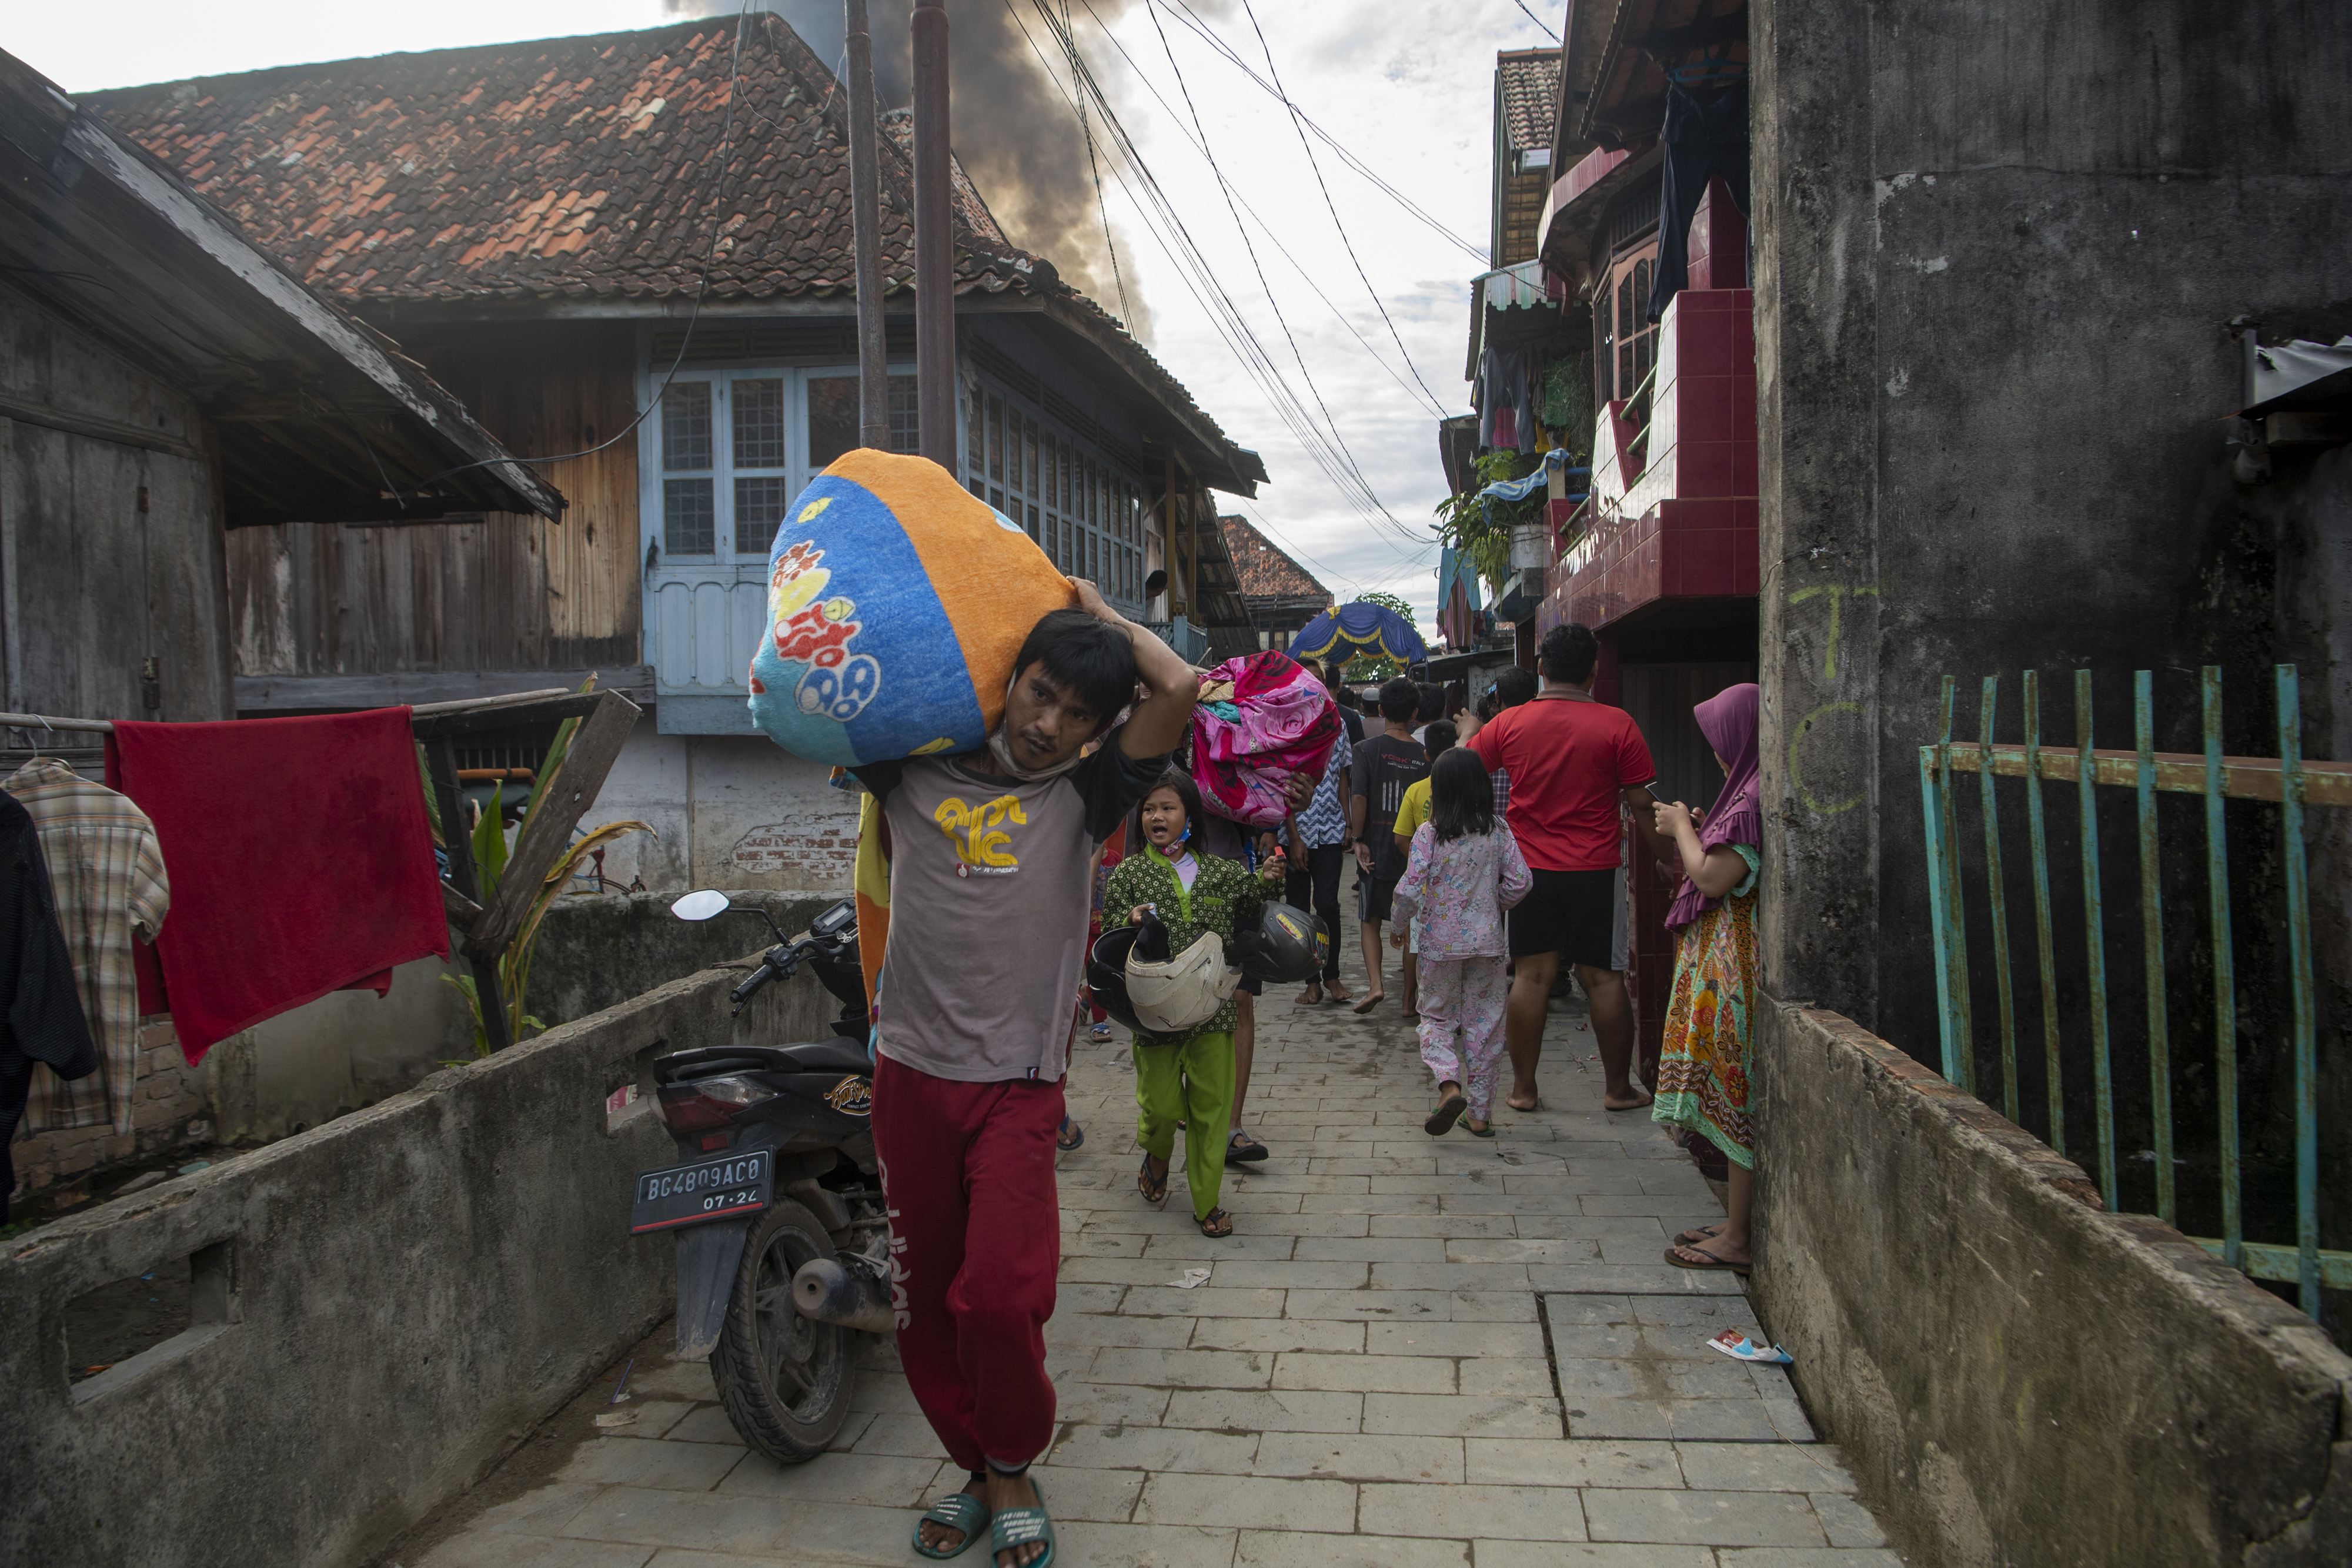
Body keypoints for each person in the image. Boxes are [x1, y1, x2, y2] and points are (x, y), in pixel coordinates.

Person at [857, 583, 1192, 1567]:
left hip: (1016, 1083)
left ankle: (1011, 1460)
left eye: (1077, 714)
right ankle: (974, 1465)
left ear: (1098, 731)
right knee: (924, 1305)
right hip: (906, 1075)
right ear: (1010, 680)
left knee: (1000, 1294)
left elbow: (1179, 682)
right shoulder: (908, 770)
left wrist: (1094, 611)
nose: (1049, 725)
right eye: (1039, 693)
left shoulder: (1087, 799)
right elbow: (842, 682)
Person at [1466, 623, 1667, 1114]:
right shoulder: (1618, 724)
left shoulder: (1510, 723)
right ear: (1594, 672)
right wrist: (1665, 856)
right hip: (1597, 869)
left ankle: (1523, 1090)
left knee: (1530, 979)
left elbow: (1466, 771)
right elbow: (1642, 803)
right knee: (1604, 979)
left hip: (1530, 870)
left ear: (1540, 669)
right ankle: (1618, 1090)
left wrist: (1469, 731)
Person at [1103, 769, 1275, 1238]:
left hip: (1212, 1014)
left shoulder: (1222, 872)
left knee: (1209, 1111)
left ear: (1190, 818)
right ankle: (1158, 1154)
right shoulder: (1128, 875)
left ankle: (1207, 1202)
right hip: (1155, 1017)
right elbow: (1109, 931)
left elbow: (1256, 902)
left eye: (1167, 807)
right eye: (1149, 809)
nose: (1156, 816)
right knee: (1159, 1109)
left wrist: (1272, 876)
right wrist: (1130, 917)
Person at [1653, 684, 1763, 1274]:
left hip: (1736, 974)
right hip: (1723, 966)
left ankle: (1739, 1237)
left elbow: (1713, 876)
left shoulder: (1751, 798)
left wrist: (1680, 829)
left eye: (1721, 739)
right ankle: (1734, 1222)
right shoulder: (1744, 791)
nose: (1717, 753)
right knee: (1726, 1094)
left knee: (1734, 1093)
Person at [1392, 749, 1532, 1137]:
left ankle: (1449, 1084)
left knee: (1436, 1017)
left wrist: (1398, 925)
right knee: (1485, 1026)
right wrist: (1492, 905)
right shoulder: (1498, 830)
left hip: (1439, 945)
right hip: (1488, 944)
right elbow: (1522, 881)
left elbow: (1408, 887)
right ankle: (1480, 1114)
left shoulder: (1429, 834)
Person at [1347, 677, 1430, 1015]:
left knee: (1370, 920)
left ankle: (1377, 985)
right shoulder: (1424, 755)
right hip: (1414, 852)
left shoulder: (1366, 750)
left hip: (1376, 849)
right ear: (1414, 713)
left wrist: (1358, 839)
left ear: (1381, 711)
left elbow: (1359, 796)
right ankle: (1409, 1001)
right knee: (1412, 925)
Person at [1390, 720, 1458, 1020]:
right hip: (1462, 883)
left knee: (1414, 941)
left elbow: (1401, 838)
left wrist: (1423, 859)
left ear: (1427, 755)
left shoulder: (1417, 791)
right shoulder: (1468, 793)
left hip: (1424, 882)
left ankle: (1408, 1000)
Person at [1285, 719, 1355, 1007]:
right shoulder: (1284, 723)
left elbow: (1341, 776)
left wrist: (1348, 823)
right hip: (1295, 830)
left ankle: (1332, 975)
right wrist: (1294, 838)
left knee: (1327, 905)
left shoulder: (1337, 725)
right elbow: (1281, 784)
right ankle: (1312, 982)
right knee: (1299, 909)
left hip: (1330, 829)